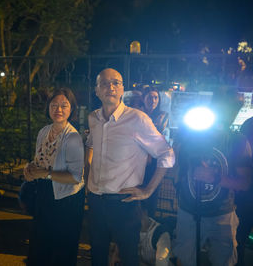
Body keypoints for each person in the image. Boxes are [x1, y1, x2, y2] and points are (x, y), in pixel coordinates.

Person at [84, 68, 175, 266]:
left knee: (128, 258)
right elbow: (90, 144)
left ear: (122, 89)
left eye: (116, 82)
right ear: (97, 91)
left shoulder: (138, 119)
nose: (111, 87)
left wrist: (149, 190)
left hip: (124, 203)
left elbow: (166, 154)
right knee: (98, 255)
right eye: (105, 83)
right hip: (95, 202)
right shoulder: (94, 118)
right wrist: (87, 175)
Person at [173, 90, 252, 266]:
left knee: (224, 260)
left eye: (233, 109)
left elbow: (245, 183)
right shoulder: (192, 134)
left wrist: (215, 178)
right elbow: (179, 164)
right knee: (185, 259)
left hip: (222, 215)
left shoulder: (237, 141)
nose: (227, 113)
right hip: (188, 211)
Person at [23, 88, 85, 266]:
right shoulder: (43, 131)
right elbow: (39, 161)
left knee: (61, 249)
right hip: (44, 195)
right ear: (48, 108)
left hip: (67, 199)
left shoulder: (72, 137)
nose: (58, 109)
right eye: (54, 105)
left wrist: (46, 174)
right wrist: (30, 168)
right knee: (40, 244)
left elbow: (75, 177)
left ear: (71, 109)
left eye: (64, 106)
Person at [141, 86, 170, 217]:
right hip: (138, 159)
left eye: (156, 97)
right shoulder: (137, 114)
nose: (153, 100)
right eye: (150, 97)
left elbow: (157, 135)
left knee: (153, 192)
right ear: (143, 98)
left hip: (154, 160)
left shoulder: (162, 115)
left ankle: (149, 223)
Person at [236, 116, 253, 266]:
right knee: (240, 237)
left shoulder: (248, 124)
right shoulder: (249, 124)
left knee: (240, 237)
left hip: (246, 195)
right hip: (246, 195)